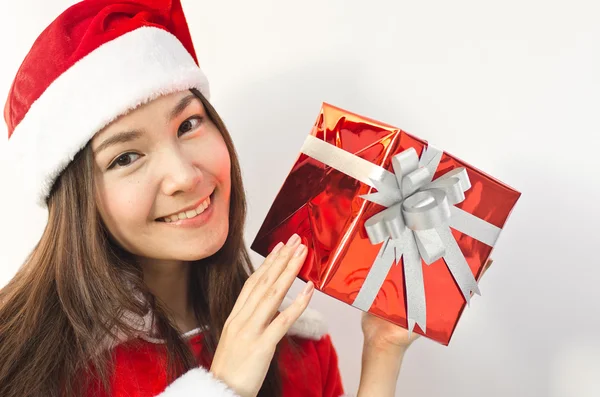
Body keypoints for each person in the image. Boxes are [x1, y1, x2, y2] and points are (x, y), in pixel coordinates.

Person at [0, 0, 488, 396]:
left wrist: (383, 355)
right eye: (126, 157)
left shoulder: (298, 348)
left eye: (189, 124)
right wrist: (223, 386)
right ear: (75, 202)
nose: (184, 176)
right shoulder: (24, 363)